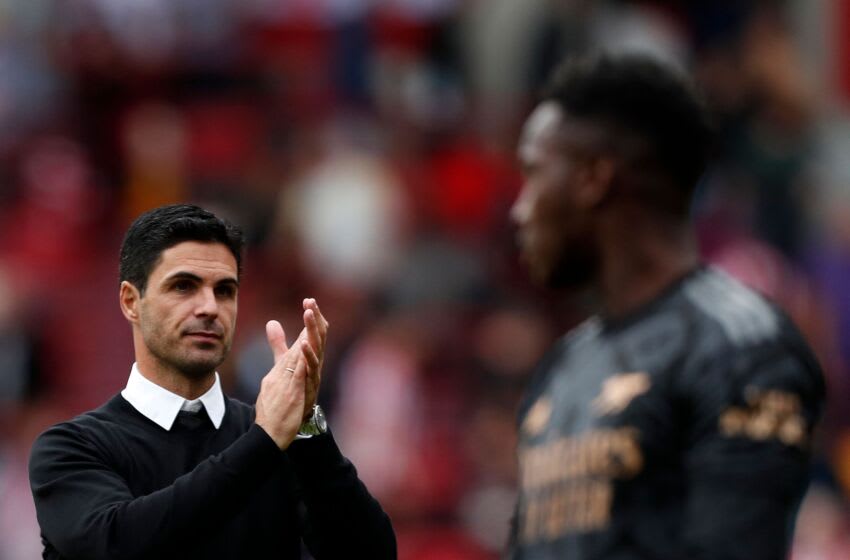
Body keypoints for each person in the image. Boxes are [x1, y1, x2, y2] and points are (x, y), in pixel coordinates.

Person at [508, 53, 826, 559]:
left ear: (594, 179)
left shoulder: (740, 348)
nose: (519, 208)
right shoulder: (565, 365)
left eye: (533, 173)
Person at [28, 204, 396, 559]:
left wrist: (307, 427)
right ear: (130, 302)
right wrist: (264, 441)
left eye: (224, 290)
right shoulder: (72, 448)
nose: (209, 307)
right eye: (184, 286)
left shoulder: (284, 440)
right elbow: (119, 545)